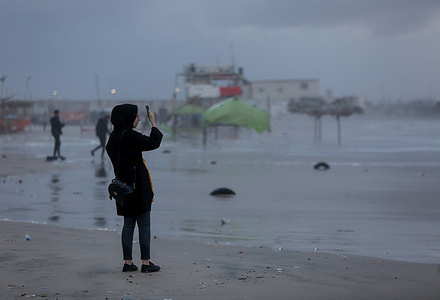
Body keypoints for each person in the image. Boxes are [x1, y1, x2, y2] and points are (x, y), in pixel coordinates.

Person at [105, 104, 163, 273]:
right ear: (127, 117)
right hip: (138, 185)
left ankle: (128, 263)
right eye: (136, 116)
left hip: (122, 187)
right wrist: (153, 122)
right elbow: (154, 142)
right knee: (144, 223)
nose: (138, 119)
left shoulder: (113, 138)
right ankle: (146, 262)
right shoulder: (130, 136)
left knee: (128, 223)